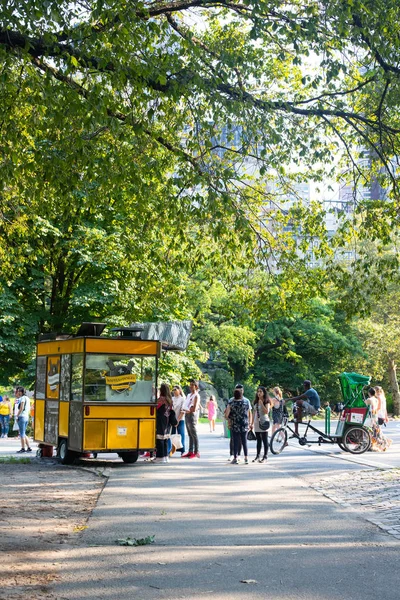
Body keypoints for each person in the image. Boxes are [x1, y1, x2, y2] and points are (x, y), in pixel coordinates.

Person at [225, 384, 252, 460]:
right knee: (238, 440)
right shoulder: (233, 400)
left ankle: (237, 456)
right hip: (243, 424)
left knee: (237, 440)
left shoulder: (245, 401)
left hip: (235, 424)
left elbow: (227, 414)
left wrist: (250, 423)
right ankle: (236, 455)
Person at [155, 383, 177, 463]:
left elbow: (155, 408)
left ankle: (159, 457)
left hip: (161, 421)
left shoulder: (161, 399)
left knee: (159, 439)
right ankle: (165, 456)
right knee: (165, 439)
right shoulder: (170, 400)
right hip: (167, 421)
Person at [182, 379, 201, 459]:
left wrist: (189, 410)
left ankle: (196, 452)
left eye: (192, 385)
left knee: (194, 434)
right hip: (186, 414)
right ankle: (190, 451)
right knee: (190, 434)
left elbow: (195, 408)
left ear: (196, 386)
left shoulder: (196, 395)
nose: (190, 386)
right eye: (190, 385)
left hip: (192, 415)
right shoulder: (189, 395)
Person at [252, 386, 270, 463]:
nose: (259, 393)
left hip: (264, 422)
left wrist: (261, 404)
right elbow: (254, 412)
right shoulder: (256, 401)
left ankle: (265, 456)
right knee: (258, 440)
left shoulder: (267, 401)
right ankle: (257, 456)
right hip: (257, 422)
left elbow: (266, 411)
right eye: (258, 391)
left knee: (265, 440)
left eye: (260, 391)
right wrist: (251, 423)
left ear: (264, 393)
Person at [169, 385, 186, 455]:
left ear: (179, 390)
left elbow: (182, 410)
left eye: (175, 389)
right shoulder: (172, 399)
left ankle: (182, 450)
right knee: (172, 435)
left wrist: (178, 420)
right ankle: (171, 449)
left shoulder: (182, 399)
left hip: (180, 419)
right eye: (173, 390)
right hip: (173, 419)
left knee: (181, 434)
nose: (174, 391)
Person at [15, 386, 32, 453]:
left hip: (21, 417)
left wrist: (17, 416)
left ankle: (23, 448)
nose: (18, 392)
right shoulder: (27, 398)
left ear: (22, 392)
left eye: (19, 391)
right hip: (26, 416)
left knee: (21, 433)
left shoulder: (22, 398)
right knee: (23, 433)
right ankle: (29, 447)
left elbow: (21, 408)